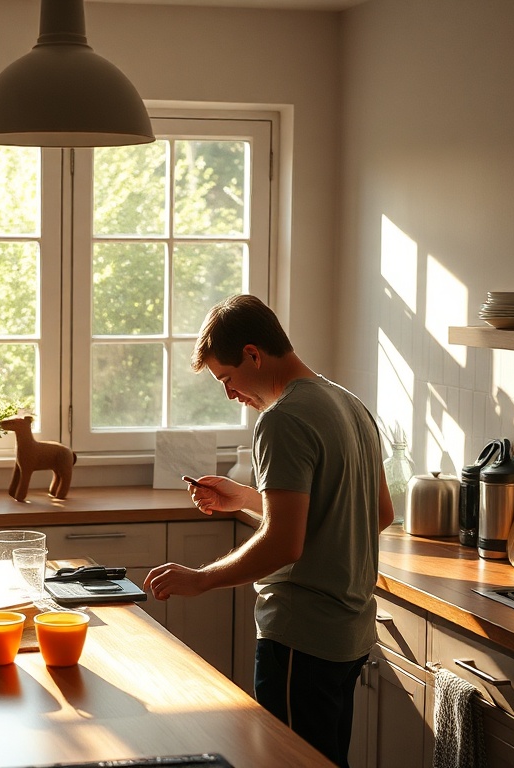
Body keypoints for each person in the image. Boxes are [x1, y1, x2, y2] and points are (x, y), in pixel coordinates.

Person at [143, 294, 394, 767]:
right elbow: (375, 511)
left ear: (254, 354)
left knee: (288, 763)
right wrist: (244, 498)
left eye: (228, 378)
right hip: (349, 636)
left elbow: (284, 542)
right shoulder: (352, 405)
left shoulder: (281, 420)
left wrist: (201, 578)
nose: (230, 394)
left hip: (301, 638)